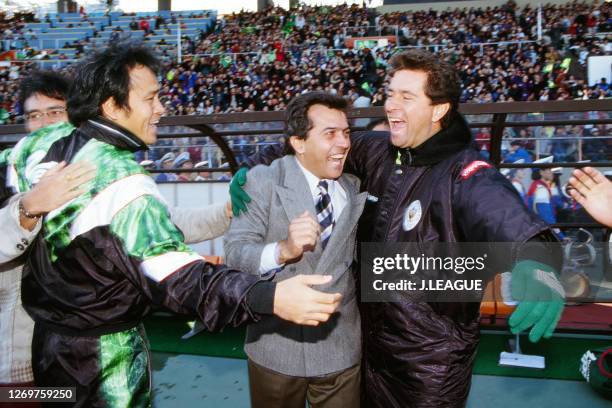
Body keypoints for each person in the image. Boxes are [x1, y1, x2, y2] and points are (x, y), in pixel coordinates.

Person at [13, 42, 341, 407]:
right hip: (103, 361)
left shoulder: (40, 144)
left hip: (47, 346)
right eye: (151, 98)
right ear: (111, 106)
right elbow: (181, 280)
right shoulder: (124, 183)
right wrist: (271, 296)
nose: (161, 109)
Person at [232, 49, 565, 407]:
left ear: (438, 110)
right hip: (368, 353)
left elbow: (512, 221)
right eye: (390, 94)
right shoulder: (378, 151)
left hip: (429, 369)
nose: (391, 105)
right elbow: (308, 142)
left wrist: (539, 263)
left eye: (406, 97)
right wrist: (253, 168)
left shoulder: (466, 174)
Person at [224, 92, 365, 408]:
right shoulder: (262, 181)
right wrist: (282, 250)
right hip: (276, 348)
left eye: (345, 133)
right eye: (330, 134)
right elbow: (234, 255)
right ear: (299, 142)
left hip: (340, 347)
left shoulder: (354, 187)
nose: (343, 143)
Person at [0, 71, 97, 394]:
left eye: (55, 112)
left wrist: (224, 213)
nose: (44, 124)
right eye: (34, 116)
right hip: (18, 360)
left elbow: (149, 225)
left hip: (81, 349)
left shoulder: (92, 169)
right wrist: (28, 209)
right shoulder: (7, 172)